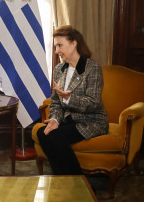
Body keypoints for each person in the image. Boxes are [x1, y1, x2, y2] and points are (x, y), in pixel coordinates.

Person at [37, 25, 109, 175]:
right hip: (68, 120)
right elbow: (55, 102)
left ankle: (79, 182)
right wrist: (55, 119)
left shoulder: (92, 68)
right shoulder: (59, 69)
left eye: (60, 45)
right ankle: (62, 178)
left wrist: (69, 98)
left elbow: (93, 103)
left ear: (74, 43)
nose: (56, 51)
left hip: (91, 120)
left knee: (55, 136)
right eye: (56, 46)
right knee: (42, 133)